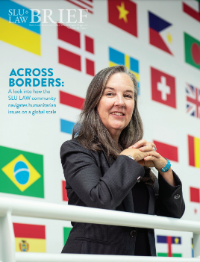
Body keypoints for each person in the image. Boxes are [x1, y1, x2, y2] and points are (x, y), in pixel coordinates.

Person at [60, 65, 185, 256]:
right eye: (110, 94)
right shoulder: (77, 149)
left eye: (128, 96)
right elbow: (100, 200)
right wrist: (128, 159)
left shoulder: (136, 158)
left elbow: (173, 213)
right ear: (95, 101)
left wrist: (164, 168)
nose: (120, 102)